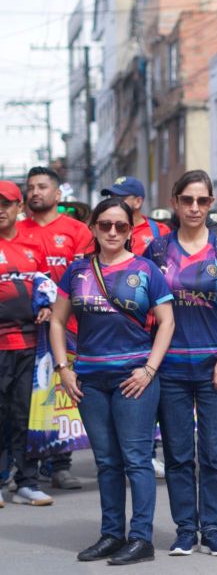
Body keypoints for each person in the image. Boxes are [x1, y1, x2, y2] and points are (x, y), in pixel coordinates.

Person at [49, 197, 175, 565]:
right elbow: (57, 321)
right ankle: (111, 534)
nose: (113, 232)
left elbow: (167, 321)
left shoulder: (146, 269)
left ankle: (141, 538)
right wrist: (63, 368)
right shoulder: (77, 271)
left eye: (121, 226)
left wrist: (149, 369)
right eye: (105, 224)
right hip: (89, 379)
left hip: (133, 378)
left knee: (136, 460)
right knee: (106, 461)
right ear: (93, 227)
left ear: (130, 230)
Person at [145, 171, 217, 558]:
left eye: (202, 200)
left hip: (213, 366)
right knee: (177, 454)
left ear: (211, 203)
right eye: (187, 200)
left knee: (216, 453)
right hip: (170, 368)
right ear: (174, 202)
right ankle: (186, 529)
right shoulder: (157, 250)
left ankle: (214, 528)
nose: (194, 207)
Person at [18, 166, 91, 492]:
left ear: (58, 194)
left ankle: (60, 465)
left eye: (42, 186)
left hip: (71, 327)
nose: (35, 192)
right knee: (29, 399)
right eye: (31, 187)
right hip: (28, 330)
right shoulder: (16, 230)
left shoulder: (77, 230)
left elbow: (87, 278)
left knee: (63, 395)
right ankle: (25, 467)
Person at [0, 181, 53, 508]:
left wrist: (47, 306)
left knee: (25, 415)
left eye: (6, 203)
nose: (0, 210)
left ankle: (26, 482)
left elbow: (46, 286)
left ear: (19, 207)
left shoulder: (33, 245)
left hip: (29, 345)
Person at [100, 176, 171, 255]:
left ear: (138, 202)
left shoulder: (160, 231)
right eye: (111, 198)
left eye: (120, 198)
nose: (113, 202)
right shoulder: (102, 230)